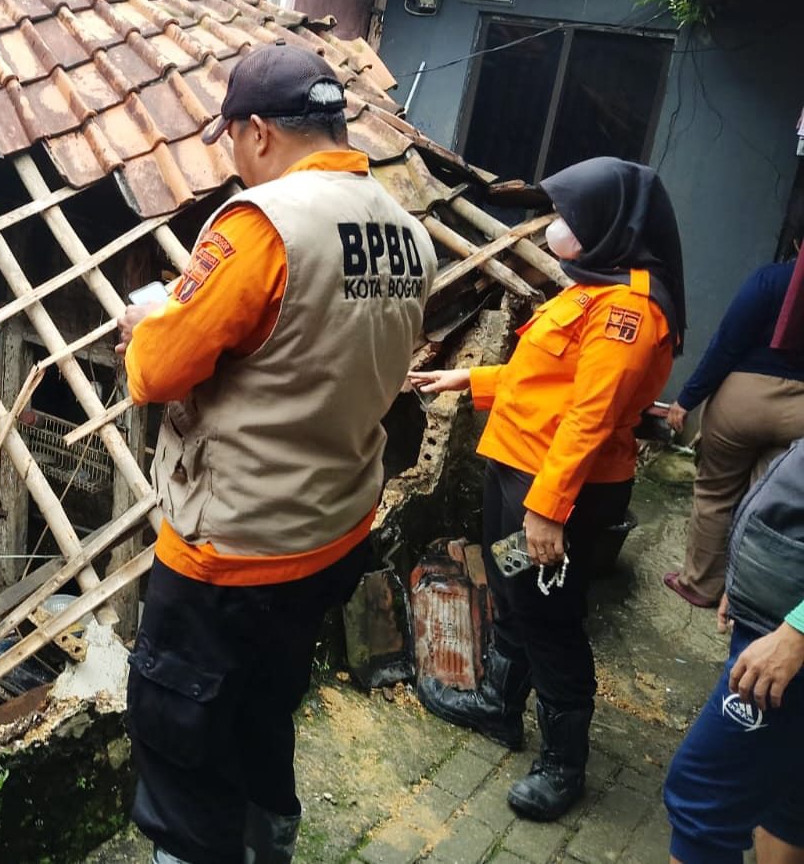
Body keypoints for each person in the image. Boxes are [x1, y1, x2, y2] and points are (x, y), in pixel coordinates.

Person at [118, 43, 436, 864]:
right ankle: (270, 845)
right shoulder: (407, 232)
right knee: (263, 711)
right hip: (331, 531)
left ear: (257, 131)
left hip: (232, 548)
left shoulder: (262, 227)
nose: (234, 159)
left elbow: (158, 373)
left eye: (232, 139)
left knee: (181, 743)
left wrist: (148, 326)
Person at [409, 157, 684, 822]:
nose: (555, 225)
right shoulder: (594, 287)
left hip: (558, 494)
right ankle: (498, 707)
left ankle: (564, 764)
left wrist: (549, 512)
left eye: (568, 215)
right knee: (513, 591)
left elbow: (590, 415)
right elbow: (547, 379)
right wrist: (471, 381)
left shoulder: (629, 311)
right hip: (520, 474)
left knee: (551, 619)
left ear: (609, 224)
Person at [662, 438, 804, 864]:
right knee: (787, 794)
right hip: (776, 618)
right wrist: (749, 587)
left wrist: (798, 629)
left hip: (787, 644)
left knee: (701, 796)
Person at [663, 253, 804, 608]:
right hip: (800, 415)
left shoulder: (770, 279)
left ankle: (699, 585)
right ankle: (744, 597)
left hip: (742, 401)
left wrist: (687, 398)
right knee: (766, 503)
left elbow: (726, 345)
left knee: (715, 492)